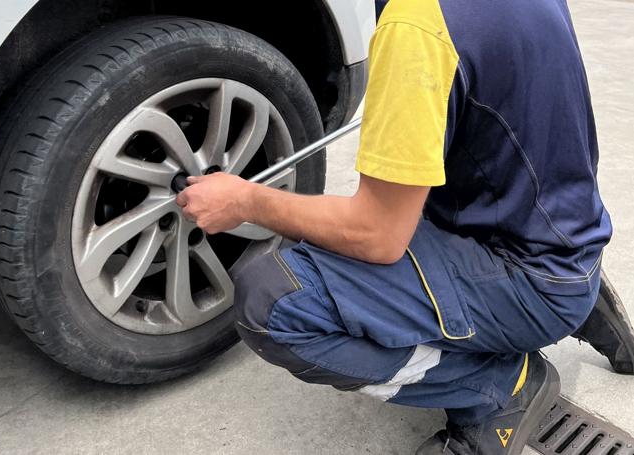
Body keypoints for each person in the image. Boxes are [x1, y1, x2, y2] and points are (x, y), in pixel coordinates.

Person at [176, 0, 632, 453]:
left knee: (272, 303)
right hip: (565, 227)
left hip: (528, 272)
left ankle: (499, 386)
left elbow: (377, 235)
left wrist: (245, 200)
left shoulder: (417, 26)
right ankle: (581, 294)